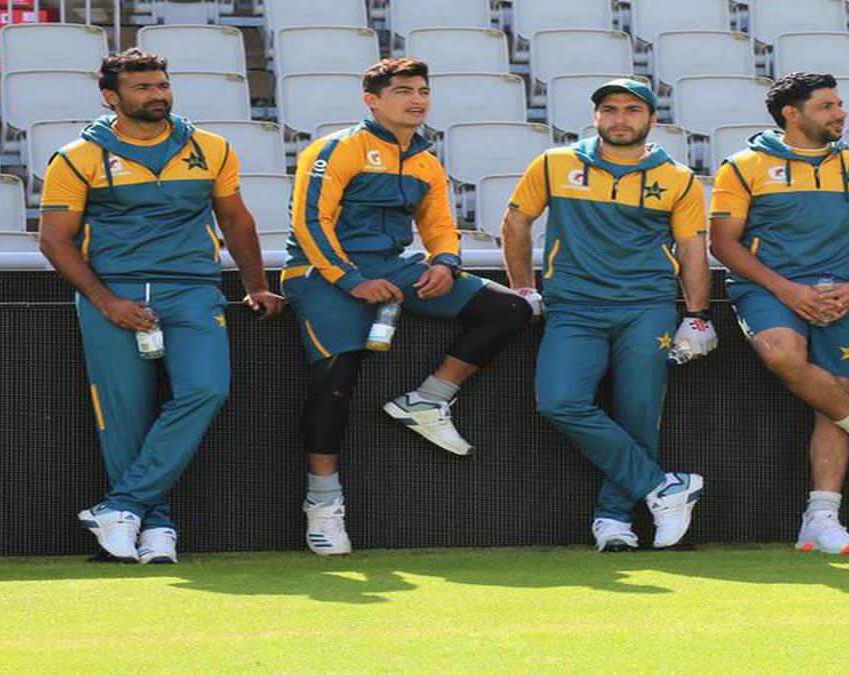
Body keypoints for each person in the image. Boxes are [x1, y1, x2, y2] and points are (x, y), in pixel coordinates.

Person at [38, 48, 284, 563]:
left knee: (206, 389)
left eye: (162, 85)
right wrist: (106, 302)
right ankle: (156, 527)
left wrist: (257, 284)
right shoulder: (76, 157)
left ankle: (122, 505)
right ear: (112, 96)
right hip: (113, 293)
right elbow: (55, 241)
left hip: (193, 289)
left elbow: (236, 221)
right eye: (144, 87)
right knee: (125, 417)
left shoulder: (210, 147)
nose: (158, 94)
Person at [282, 58, 531, 556]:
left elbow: (440, 224)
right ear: (371, 99)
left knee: (509, 310)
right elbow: (311, 223)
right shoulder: (335, 149)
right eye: (403, 91)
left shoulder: (425, 161)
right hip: (322, 274)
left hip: (393, 267)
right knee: (335, 383)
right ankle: (323, 504)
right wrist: (353, 281)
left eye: (422, 90)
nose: (417, 99)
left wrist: (444, 262)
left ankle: (428, 399)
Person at [501, 78, 715, 552]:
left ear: (651, 120)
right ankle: (664, 488)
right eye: (610, 109)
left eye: (632, 110)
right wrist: (523, 288)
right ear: (596, 117)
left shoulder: (677, 177)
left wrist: (697, 315)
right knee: (559, 402)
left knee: (638, 414)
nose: (620, 119)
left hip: (647, 306)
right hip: (573, 306)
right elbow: (516, 221)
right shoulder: (556, 164)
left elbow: (691, 248)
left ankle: (614, 519)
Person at [708, 72, 849, 555]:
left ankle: (821, 519)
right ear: (792, 115)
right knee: (781, 354)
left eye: (840, 104)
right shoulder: (742, 166)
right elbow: (722, 242)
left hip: (844, 292)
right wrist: (786, 290)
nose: (840, 113)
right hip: (767, 289)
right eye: (827, 106)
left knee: (835, 392)